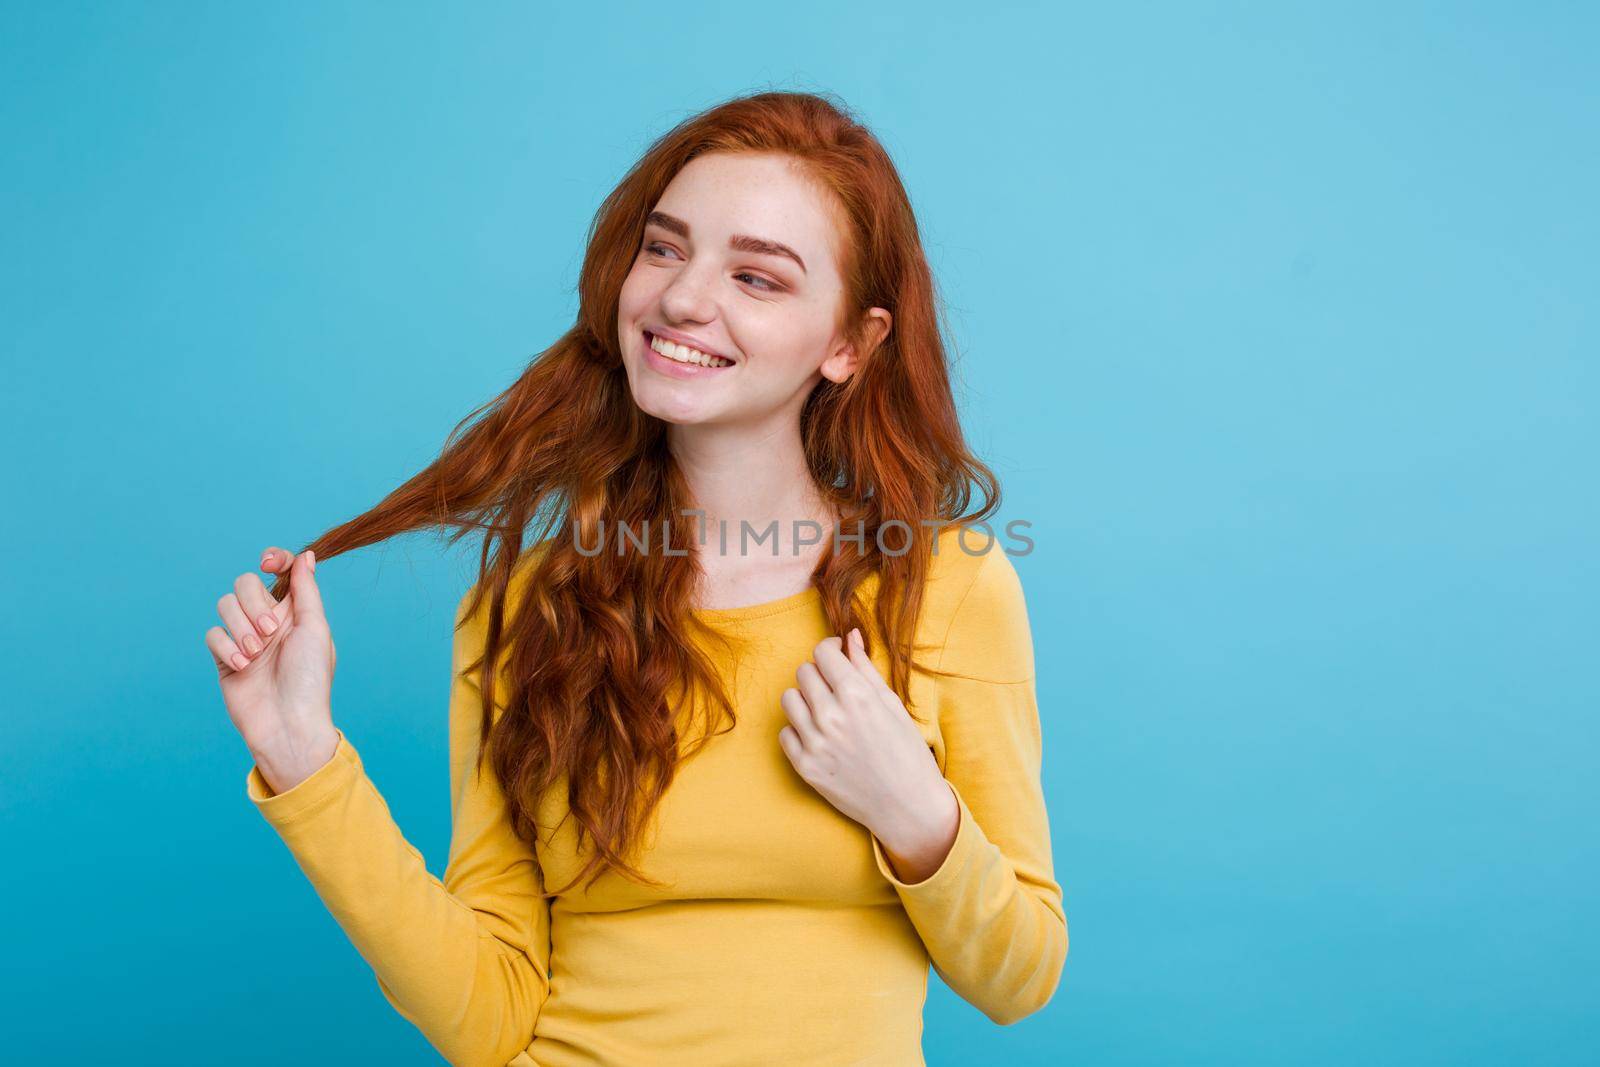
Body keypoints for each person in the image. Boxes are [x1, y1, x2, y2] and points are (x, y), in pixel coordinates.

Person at [205, 90, 1066, 1067]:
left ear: (849, 345)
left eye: (757, 276)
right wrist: (302, 757)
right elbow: (488, 1014)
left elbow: (1019, 974)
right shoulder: (524, 608)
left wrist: (915, 813)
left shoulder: (943, 588)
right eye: (664, 248)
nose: (682, 297)